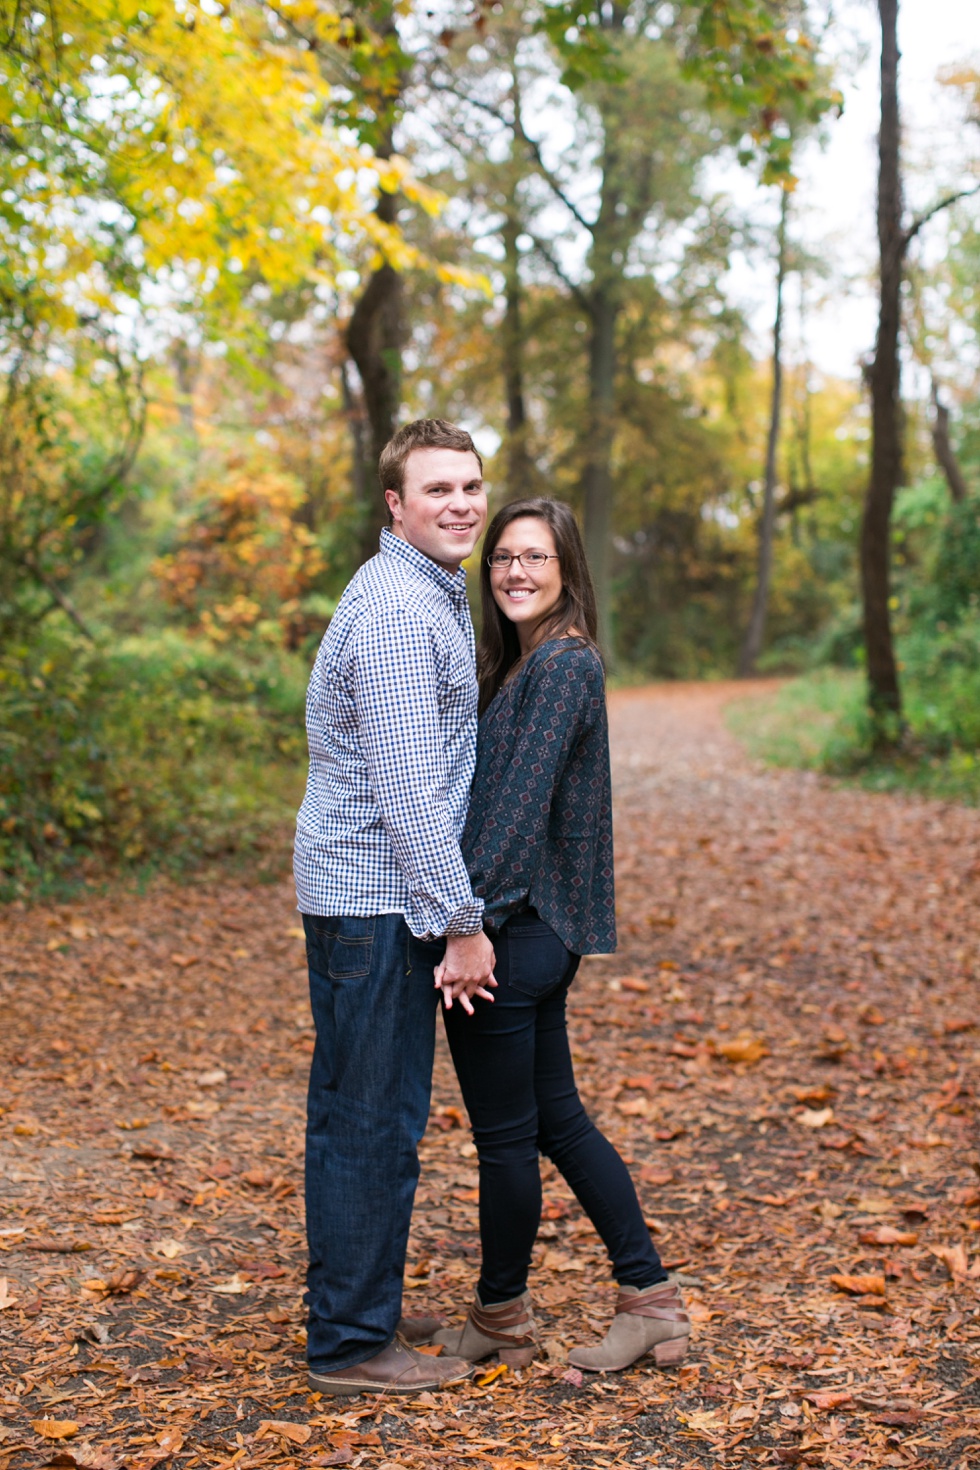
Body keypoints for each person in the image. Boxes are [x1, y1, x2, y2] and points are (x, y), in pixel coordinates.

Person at [431, 497, 690, 1374]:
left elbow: (512, 812)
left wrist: (468, 924)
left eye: (534, 557)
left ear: (567, 568)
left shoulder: (563, 668)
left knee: (507, 1138)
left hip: (516, 929)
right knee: (557, 1124)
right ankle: (649, 1300)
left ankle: (502, 1316)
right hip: (535, 928)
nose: (514, 571)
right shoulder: (527, 663)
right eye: (502, 556)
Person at [293, 419, 497, 1396]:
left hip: (374, 895)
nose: (459, 504)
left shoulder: (426, 590)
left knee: (365, 1111)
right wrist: (460, 919)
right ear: (393, 504)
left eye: (469, 485)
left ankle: (357, 1300)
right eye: (436, 490)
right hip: (375, 899)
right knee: (369, 1118)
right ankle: (348, 1343)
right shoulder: (394, 612)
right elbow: (412, 791)